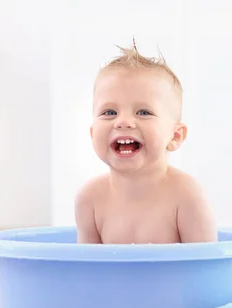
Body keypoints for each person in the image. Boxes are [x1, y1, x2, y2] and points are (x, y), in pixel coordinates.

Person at [75, 41, 218, 244]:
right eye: (109, 112)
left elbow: (208, 269)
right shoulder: (89, 199)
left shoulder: (186, 195)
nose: (123, 122)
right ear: (92, 134)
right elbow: (86, 271)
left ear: (175, 136)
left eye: (144, 112)